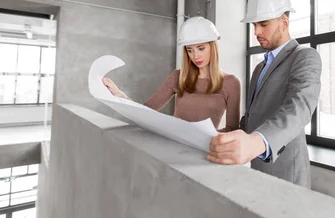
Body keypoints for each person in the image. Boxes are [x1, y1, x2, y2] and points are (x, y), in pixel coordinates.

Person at [207, 0, 322, 187]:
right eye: (254, 25)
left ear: (284, 23)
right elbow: (252, 117)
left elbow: (300, 107)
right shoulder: (259, 68)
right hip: (256, 170)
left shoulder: (304, 57)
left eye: (263, 24)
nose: (256, 32)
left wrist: (258, 141)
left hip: (286, 173)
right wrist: (223, 136)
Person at [103, 16, 241, 132]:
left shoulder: (231, 83)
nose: (195, 56)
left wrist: (205, 138)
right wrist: (121, 97)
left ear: (213, 46)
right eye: (190, 50)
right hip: (174, 145)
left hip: (205, 150)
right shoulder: (178, 77)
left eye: (201, 48)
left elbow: (232, 129)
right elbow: (147, 111)